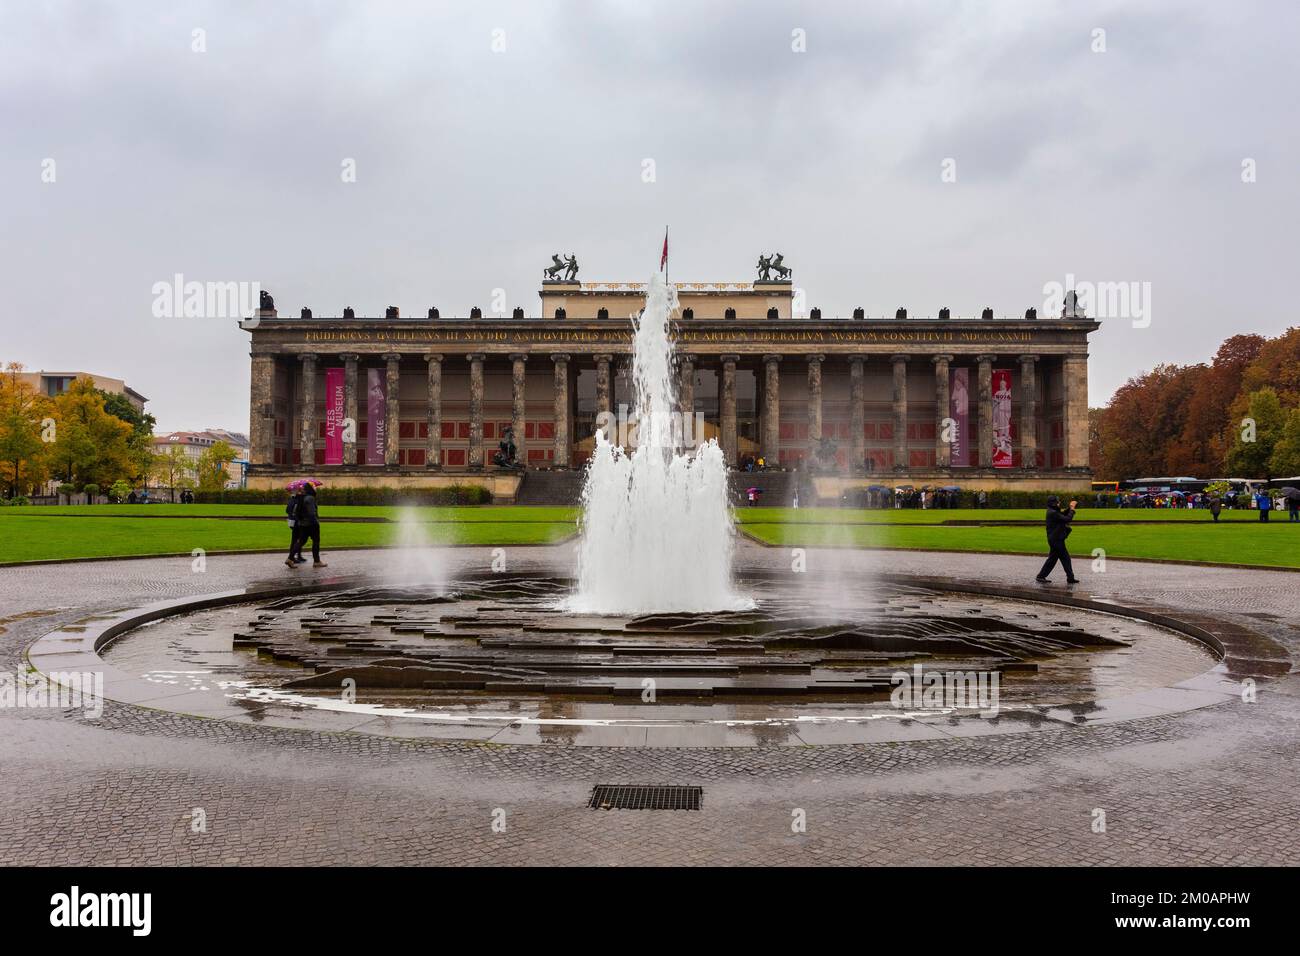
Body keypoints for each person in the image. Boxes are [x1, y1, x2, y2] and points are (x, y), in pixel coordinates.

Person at [1036, 495, 1080, 584]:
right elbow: (1067, 519)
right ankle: (1070, 578)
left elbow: (1062, 514)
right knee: (1065, 558)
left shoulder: (1053, 511)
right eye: (1058, 501)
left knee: (1053, 559)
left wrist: (1069, 508)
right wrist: (1072, 509)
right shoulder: (1053, 513)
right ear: (1054, 503)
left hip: (1055, 539)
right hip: (1056, 540)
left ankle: (1041, 576)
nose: (1059, 503)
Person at [289, 485, 327, 567]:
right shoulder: (310, 498)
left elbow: (295, 511)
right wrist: (315, 522)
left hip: (302, 523)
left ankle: (290, 558)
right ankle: (317, 561)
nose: (315, 489)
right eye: (314, 488)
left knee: (301, 541)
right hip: (311, 524)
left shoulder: (301, 497)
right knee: (316, 541)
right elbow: (311, 513)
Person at [284, 486, 306, 567]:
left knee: (296, 539)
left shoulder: (292, 499)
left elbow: (287, 510)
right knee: (298, 539)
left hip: (292, 521)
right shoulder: (298, 499)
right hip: (296, 521)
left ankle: (297, 556)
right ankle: (293, 557)